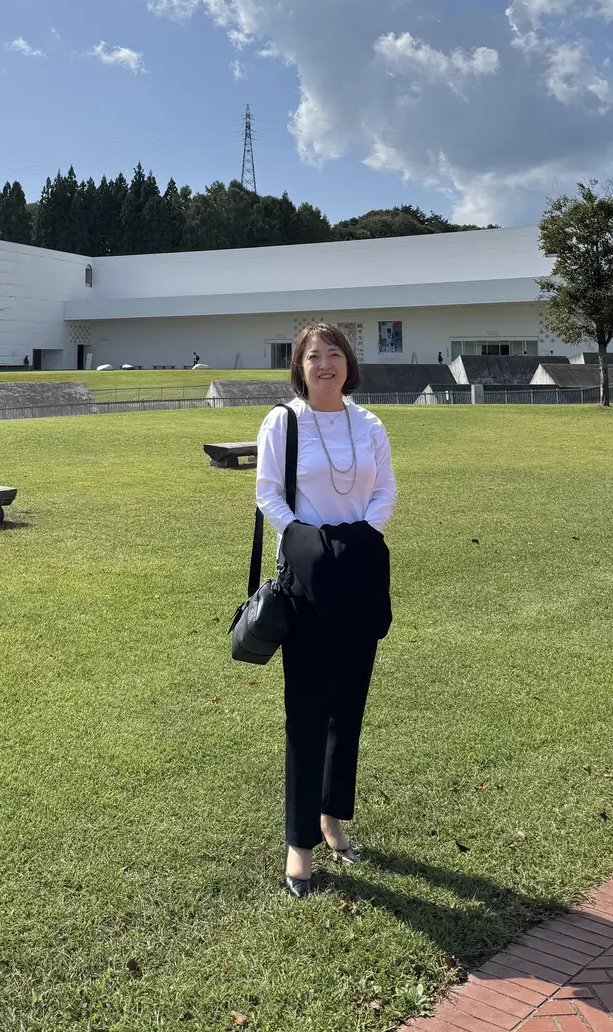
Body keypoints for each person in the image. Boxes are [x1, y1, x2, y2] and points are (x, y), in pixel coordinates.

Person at [255, 322, 396, 898]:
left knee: (348, 709)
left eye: (334, 354)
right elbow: (268, 491)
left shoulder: (369, 424)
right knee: (308, 711)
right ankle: (300, 845)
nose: (325, 364)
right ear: (300, 366)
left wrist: (360, 537)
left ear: (348, 364)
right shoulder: (283, 422)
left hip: (358, 572)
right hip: (307, 578)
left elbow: (385, 490)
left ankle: (332, 818)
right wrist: (304, 539)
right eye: (314, 356)